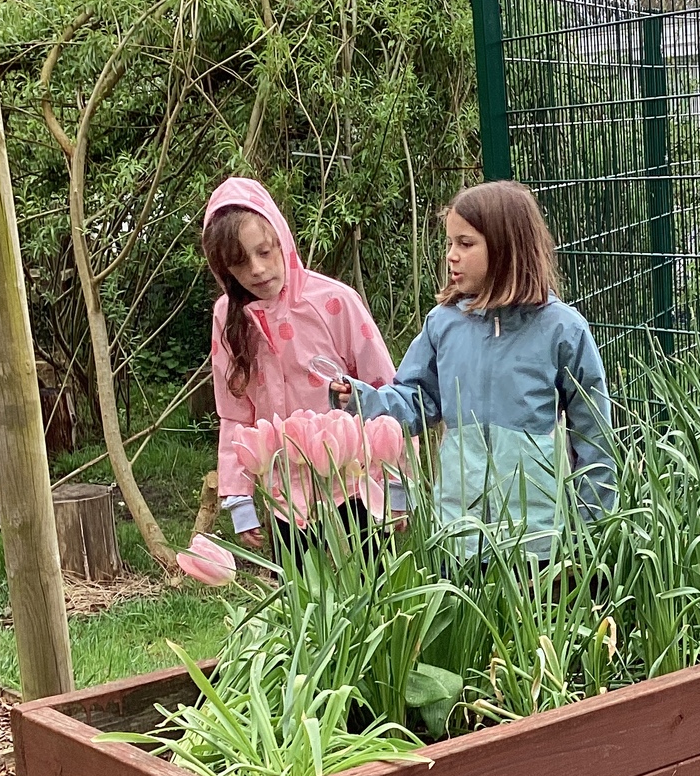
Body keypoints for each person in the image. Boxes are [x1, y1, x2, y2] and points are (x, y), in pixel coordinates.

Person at [334, 180, 614, 548]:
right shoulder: (443, 323)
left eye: (465, 244)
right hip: (459, 534)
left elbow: (594, 436)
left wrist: (590, 535)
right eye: (450, 243)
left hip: (539, 538)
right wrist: (362, 400)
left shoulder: (562, 329)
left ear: (507, 247)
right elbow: (417, 398)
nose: (451, 255)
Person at [201, 176, 395, 548]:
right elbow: (234, 412)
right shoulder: (228, 317)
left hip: (354, 484)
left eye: (264, 252)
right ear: (223, 268)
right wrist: (239, 497)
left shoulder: (335, 302)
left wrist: (397, 482)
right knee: (299, 584)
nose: (257, 270)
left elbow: (385, 392)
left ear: (282, 240)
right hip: (286, 497)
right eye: (240, 263)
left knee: (367, 582)